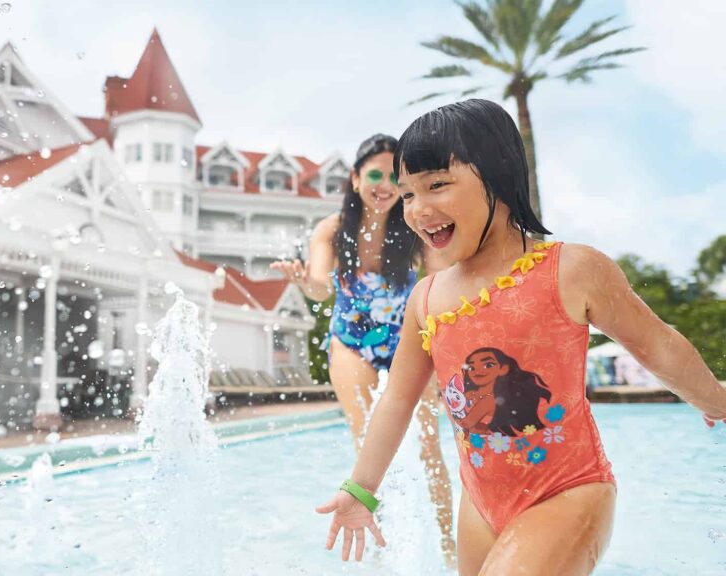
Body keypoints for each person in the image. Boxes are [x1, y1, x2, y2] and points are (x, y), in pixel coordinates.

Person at [315, 99, 726, 575]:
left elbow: (657, 345)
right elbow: (396, 402)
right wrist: (361, 487)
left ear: (499, 175)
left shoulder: (570, 269)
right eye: (408, 194)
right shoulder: (426, 299)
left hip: (568, 489)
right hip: (481, 504)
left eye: (437, 185)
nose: (419, 209)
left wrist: (715, 399)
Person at [272, 133, 455, 563]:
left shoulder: (414, 225)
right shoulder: (333, 231)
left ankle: (449, 546)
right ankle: (379, 547)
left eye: (394, 176)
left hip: (408, 340)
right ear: (355, 179)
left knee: (429, 444)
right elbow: (320, 289)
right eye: (375, 174)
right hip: (351, 342)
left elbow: (437, 284)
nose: (384, 184)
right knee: (367, 445)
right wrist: (303, 282)